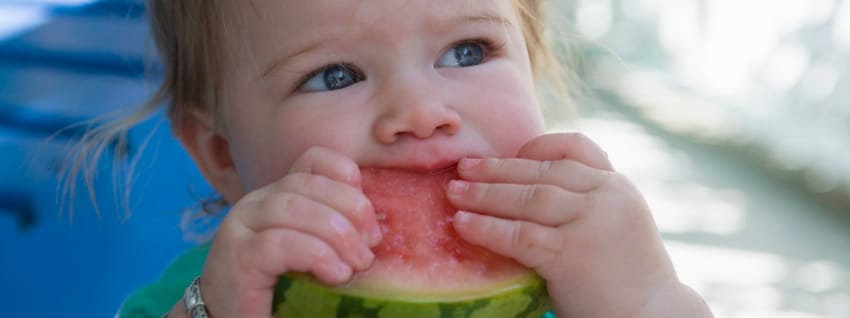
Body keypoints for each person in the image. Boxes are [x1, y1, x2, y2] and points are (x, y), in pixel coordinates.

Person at [104, 0, 715, 317]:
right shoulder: (207, 297)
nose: (422, 112)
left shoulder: (588, 286)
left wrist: (649, 303)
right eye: (335, 75)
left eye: (468, 51)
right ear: (220, 155)